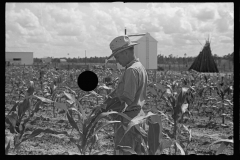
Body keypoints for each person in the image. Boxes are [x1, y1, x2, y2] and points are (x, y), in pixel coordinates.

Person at [107, 35, 148, 155]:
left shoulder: (131, 70)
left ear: (125, 52)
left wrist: (109, 105)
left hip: (127, 120)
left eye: (117, 56)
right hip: (138, 117)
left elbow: (127, 99)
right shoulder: (140, 67)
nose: (117, 60)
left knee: (124, 152)